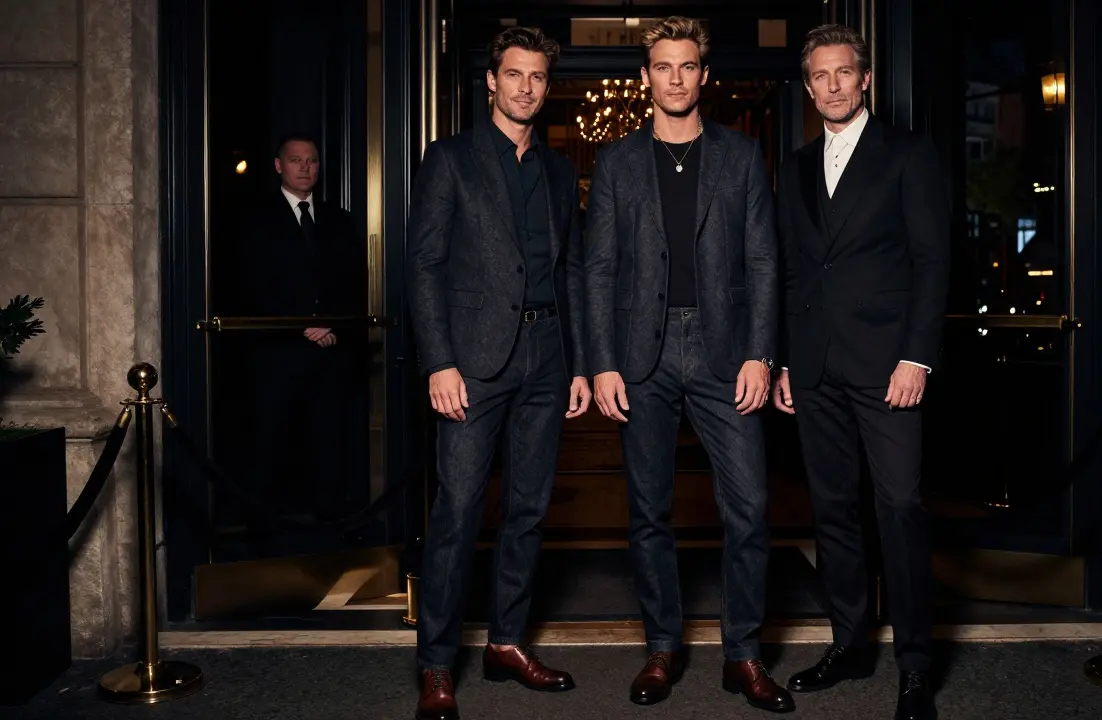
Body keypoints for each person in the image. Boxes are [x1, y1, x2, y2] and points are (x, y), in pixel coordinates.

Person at [584, 16, 791, 714]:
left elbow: (765, 263)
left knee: (751, 508)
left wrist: (763, 354)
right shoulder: (615, 162)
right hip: (640, 355)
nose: (675, 77)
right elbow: (598, 268)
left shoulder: (740, 157)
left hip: (725, 350)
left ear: (705, 75)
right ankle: (662, 647)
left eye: (687, 65)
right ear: (645, 77)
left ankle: (744, 655)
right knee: (648, 512)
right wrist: (604, 362)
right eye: (663, 66)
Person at [405, 26, 592, 720]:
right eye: (514, 75)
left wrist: (574, 362)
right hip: (473, 367)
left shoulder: (555, 167)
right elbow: (423, 264)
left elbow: (568, 267)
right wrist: (440, 362)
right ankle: (436, 664)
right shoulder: (449, 159)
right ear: (491, 81)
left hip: (547, 359)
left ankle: (508, 641)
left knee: (528, 511)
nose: (525, 88)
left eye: (538, 77)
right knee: (456, 513)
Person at [772, 24, 949, 720]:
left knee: (899, 508)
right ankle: (851, 645)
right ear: (809, 85)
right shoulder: (793, 164)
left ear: (865, 77)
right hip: (814, 367)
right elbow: (792, 269)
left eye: (844, 72)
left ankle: (914, 666)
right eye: (820, 76)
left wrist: (917, 355)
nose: (833, 85)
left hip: (888, 367)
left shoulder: (908, 154)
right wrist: (785, 358)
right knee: (835, 512)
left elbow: (934, 262)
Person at [232, 131, 368, 552]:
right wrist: (301, 326)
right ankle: (266, 538)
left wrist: (331, 325)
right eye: (296, 160)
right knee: (271, 445)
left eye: (311, 160)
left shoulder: (341, 220)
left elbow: (354, 283)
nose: (305, 167)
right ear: (278, 166)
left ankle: (332, 534)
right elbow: (249, 285)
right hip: (276, 355)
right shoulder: (253, 220)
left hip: (331, 354)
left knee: (329, 442)